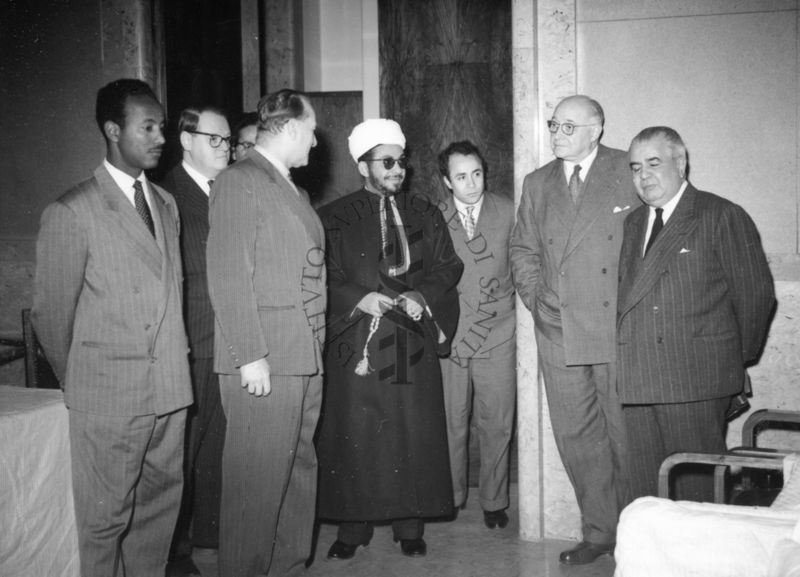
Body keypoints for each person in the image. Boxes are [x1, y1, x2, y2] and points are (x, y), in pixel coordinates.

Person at [31, 78, 192, 577]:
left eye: (162, 126)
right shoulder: (72, 210)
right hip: (108, 399)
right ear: (111, 130)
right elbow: (51, 317)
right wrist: (86, 380)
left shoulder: (165, 204)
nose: (160, 137)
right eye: (147, 127)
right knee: (103, 525)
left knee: (157, 519)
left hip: (169, 393)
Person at [316, 119, 463, 560]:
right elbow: (322, 276)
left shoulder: (426, 214)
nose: (398, 169)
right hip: (359, 342)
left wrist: (423, 295)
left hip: (410, 342)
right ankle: (353, 527)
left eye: (401, 161)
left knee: (410, 434)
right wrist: (359, 299)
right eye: (387, 162)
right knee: (357, 434)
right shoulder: (333, 218)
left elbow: (448, 267)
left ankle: (410, 525)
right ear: (363, 167)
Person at [509, 94, 638, 565]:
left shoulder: (629, 167)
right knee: (576, 436)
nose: (557, 134)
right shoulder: (538, 182)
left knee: (626, 435)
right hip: (558, 326)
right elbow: (522, 248)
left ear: (596, 129)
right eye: (553, 125)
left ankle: (637, 533)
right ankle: (600, 532)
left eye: (568, 126)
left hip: (615, 326)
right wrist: (537, 298)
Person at [618, 126, 775, 501]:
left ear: (681, 162)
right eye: (635, 167)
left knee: (695, 494)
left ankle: (696, 563)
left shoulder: (719, 214)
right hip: (639, 378)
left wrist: (726, 361)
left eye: (653, 163)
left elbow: (756, 297)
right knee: (645, 493)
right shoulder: (634, 223)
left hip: (694, 379)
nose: (643, 176)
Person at [205, 89, 326, 577]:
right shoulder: (239, 181)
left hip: (302, 355)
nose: (316, 143)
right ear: (293, 128)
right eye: (313, 131)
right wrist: (249, 355)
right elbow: (229, 270)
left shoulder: (293, 189)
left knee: (297, 477)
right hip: (266, 361)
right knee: (255, 493)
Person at [160, 105, 231, 576]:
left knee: (217, 451)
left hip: (231, 343)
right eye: (215, 139)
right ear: (186, 140)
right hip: (192, 343)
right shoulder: (167, 195)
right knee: (181, 454)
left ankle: (208, 540)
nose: (224, 147)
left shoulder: (231, 188)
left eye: (228, 140)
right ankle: (171, 549)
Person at [436, 140, 516, 529]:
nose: (472, 183)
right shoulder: (434, 217)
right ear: (447, 182)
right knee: (452, 419)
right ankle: (450, 495)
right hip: (451, 339)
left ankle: (495, 500)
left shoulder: (508, 212)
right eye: (461, 177)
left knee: (496, 422)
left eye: (477, 174)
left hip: (498, 333)